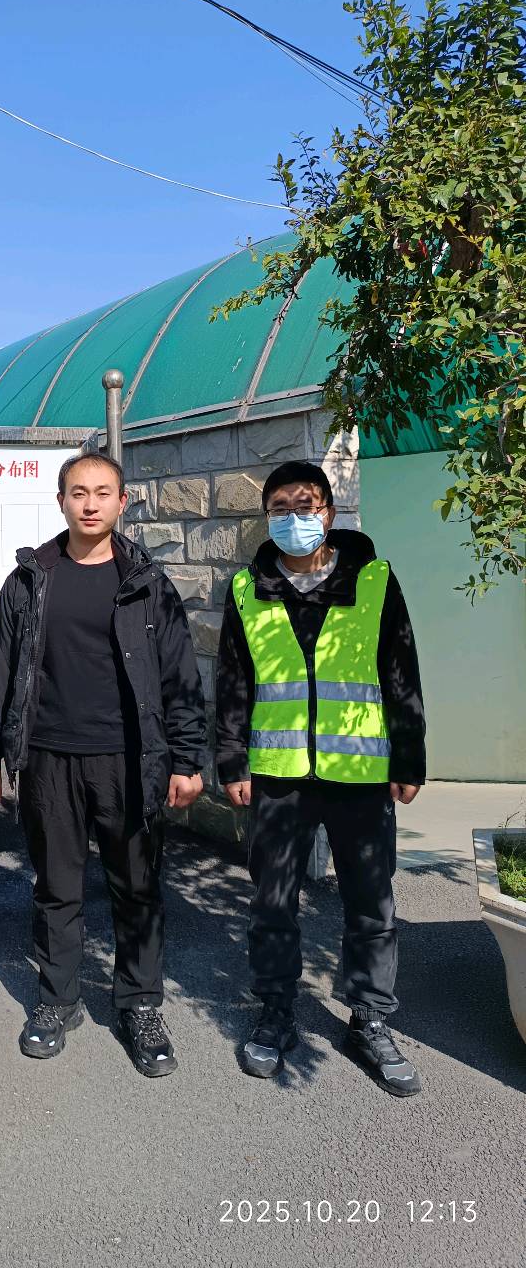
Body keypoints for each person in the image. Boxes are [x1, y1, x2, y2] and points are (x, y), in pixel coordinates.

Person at [0, 451, 206, 1076]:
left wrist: (187, 758)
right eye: (79, 492)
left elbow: (180, 676)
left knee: (137, 887)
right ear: (61, 502)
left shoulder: (148, 582)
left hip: (130, 761)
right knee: (57, 888)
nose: (91, 503)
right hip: (49, 760)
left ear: (123, 502)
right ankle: (57, 1000)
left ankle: (139, 1005)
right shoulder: (29, 579)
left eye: (103, 492)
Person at [215, 460, 426, 1096]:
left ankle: (370, 1017)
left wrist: (409, 757)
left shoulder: (373, 579)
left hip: (359, 769)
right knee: (273, 899)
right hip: (278, 773)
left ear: (329, 512)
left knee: (371, 899)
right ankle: (276, 1010)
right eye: (278, 508)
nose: (292, 518)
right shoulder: (248, 589)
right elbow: (233, 680)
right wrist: (231, 760)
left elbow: (400, 669)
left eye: (304, 505)